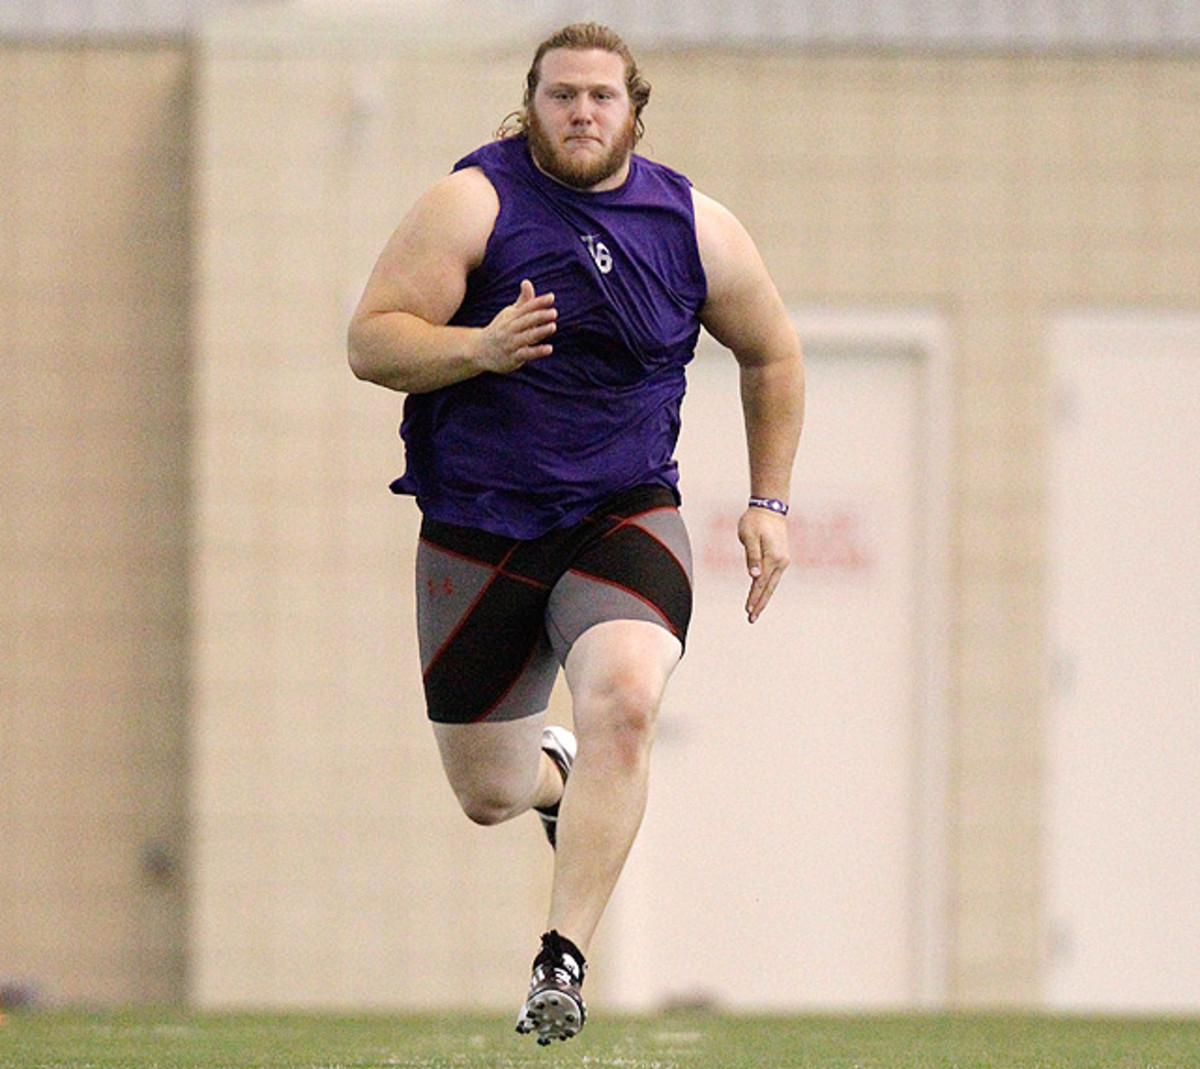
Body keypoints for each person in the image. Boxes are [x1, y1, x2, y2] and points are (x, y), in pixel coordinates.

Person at [347, 22, 804, 1045]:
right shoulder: (473, 202)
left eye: (601, 96)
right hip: (479, 527)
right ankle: (553, 776)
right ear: (532, 103)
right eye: (563, 96)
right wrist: (480, 345)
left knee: (629, 703)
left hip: (622, 513)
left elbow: (773, 353)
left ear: (635, 106)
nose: (583, 113)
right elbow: (372, 341)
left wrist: (768, 503)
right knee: (489, 791)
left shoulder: (695, 224)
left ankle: (560, 963)